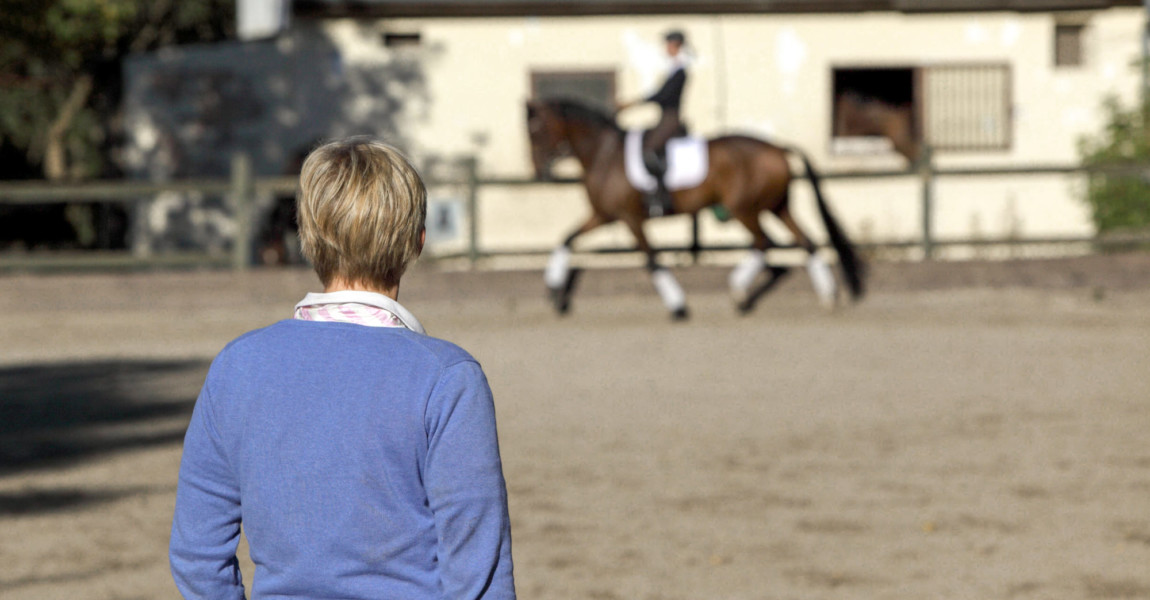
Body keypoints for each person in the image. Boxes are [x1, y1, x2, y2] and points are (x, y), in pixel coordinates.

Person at [170, 137, 516, 599]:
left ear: (307, 239)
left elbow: (197, 556)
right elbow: (479, 576)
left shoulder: (237, 366)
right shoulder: (447, 378)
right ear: (417, 241)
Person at [617, 29, 689, 218]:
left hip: (671, 118)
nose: (666, 48)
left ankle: (661, 193)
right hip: (664, 117)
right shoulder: (673, 69)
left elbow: (664, 96)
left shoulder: (681, 70)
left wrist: (634, 103)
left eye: (669, 44)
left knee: (649, 148)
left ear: (676, 45)